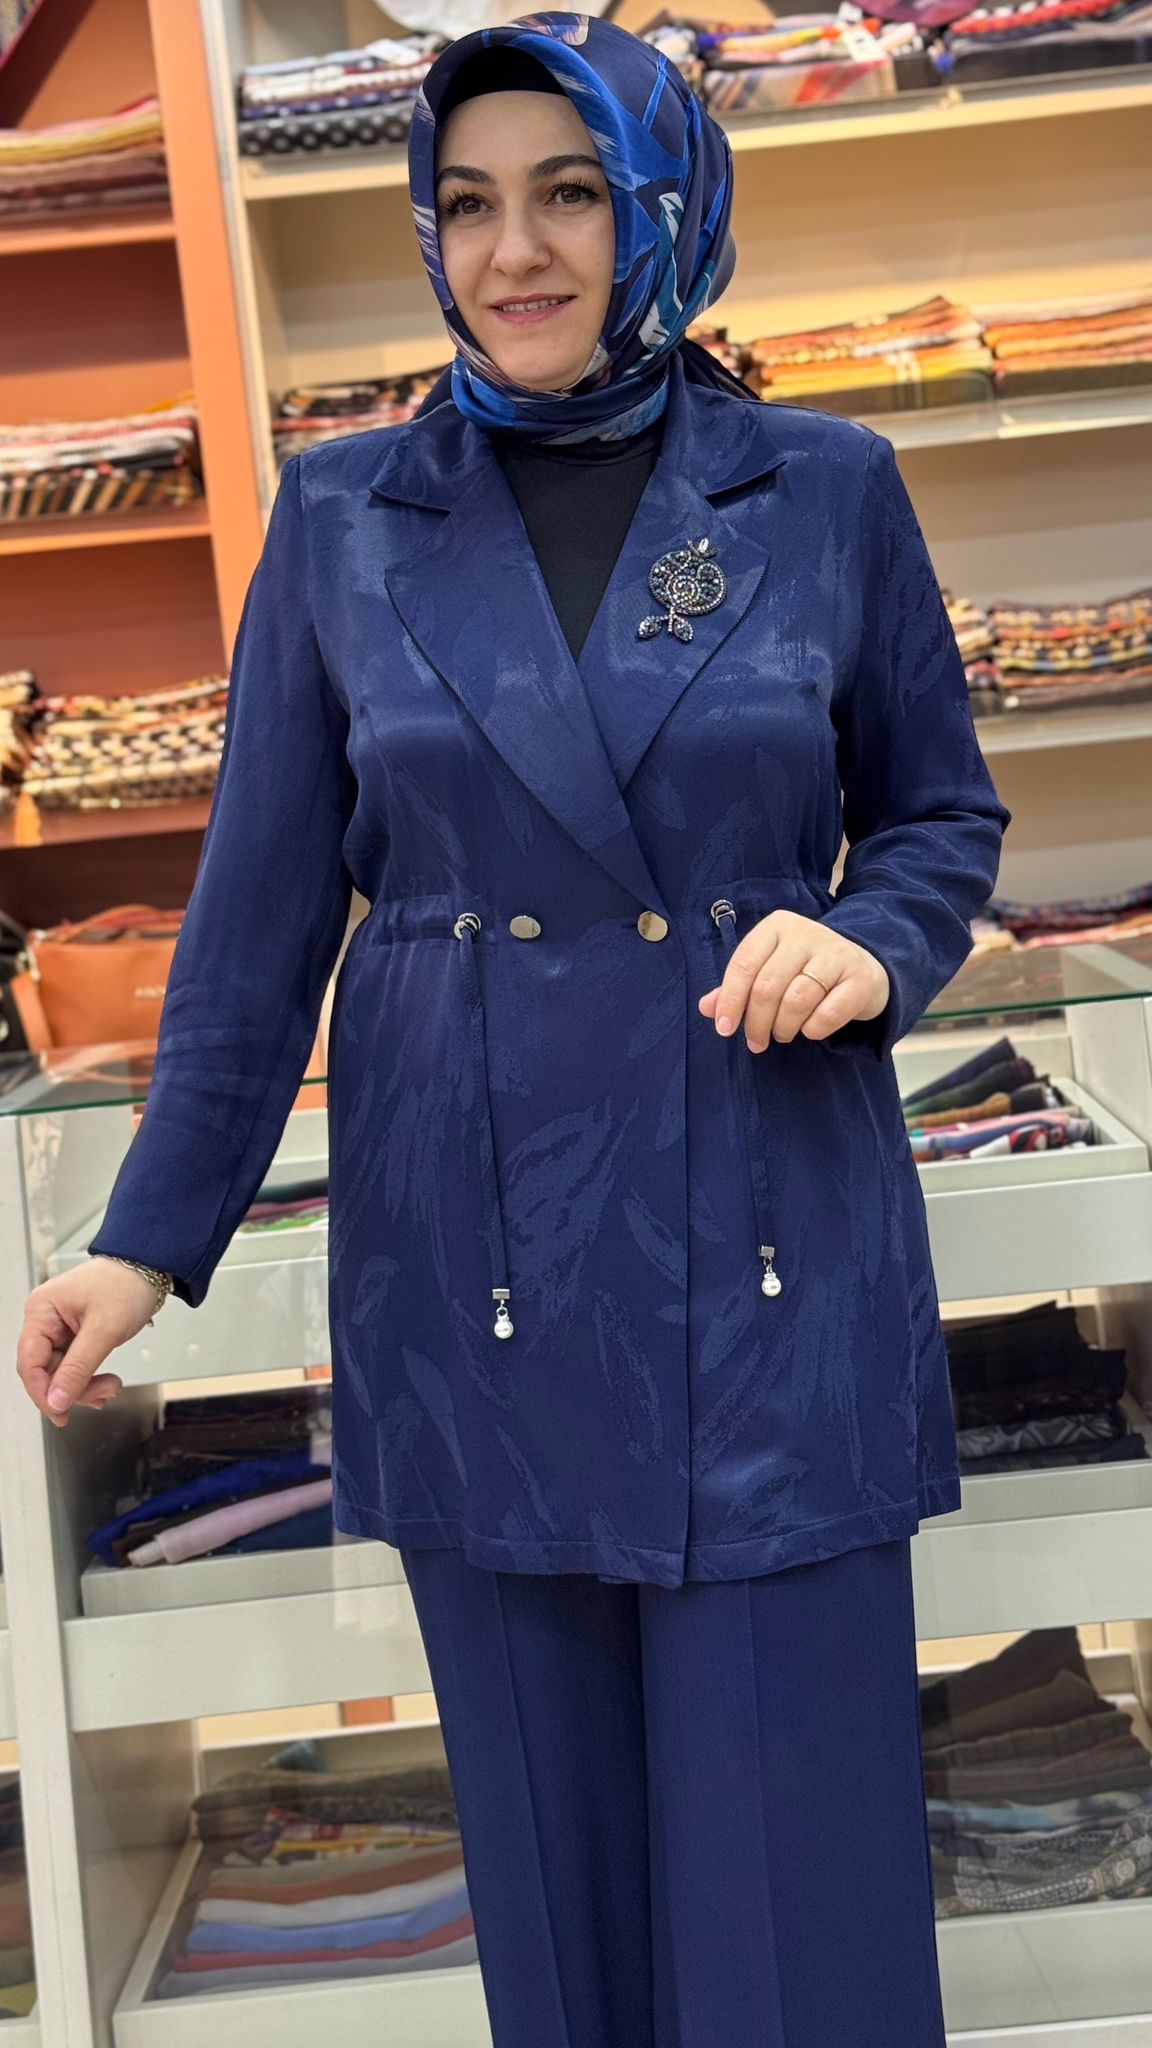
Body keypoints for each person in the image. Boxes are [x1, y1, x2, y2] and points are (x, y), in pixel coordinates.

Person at [16, 12, 1012, 2042]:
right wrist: (146, 1238)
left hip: (767, 1235)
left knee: (794, 1906)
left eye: (572, 193)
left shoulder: (822, 490)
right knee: (562, 1910)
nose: (515, 250)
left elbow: (939, 817)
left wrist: (872, 942)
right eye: (467, 203)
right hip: (475, 1259)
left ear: (666, 209)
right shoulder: (345, 514)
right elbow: (256, 924)